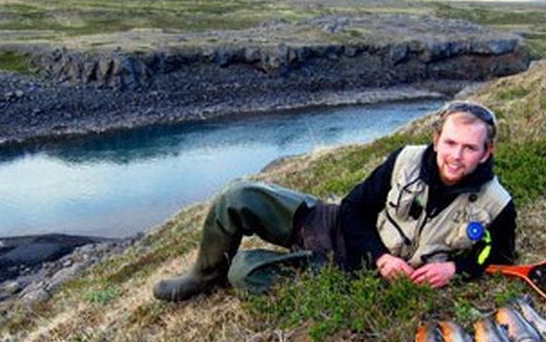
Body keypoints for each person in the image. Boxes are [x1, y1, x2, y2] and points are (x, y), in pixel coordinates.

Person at [153, 101, 516, 302]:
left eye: (470, 148)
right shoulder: (405, 159)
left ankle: (229, 274)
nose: (456, 156)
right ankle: (202, 276)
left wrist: (457, 269)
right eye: (450, 143)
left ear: (487, 152)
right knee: (238, 197)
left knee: (244, 272)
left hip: (348, 270)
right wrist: (382, 255)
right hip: (337, 226)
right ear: (437, 139)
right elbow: (353, 208)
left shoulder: (496, 204)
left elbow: (496, 254)